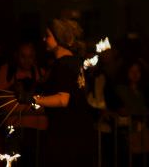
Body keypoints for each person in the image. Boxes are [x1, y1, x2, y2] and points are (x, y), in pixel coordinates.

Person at [19, 19, 95, 166]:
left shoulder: (63, 64)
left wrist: (33, 99)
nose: (44, 39)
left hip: (65, 135)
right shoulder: (75, 61)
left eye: (48, 36)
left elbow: (62, 99)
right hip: (78, 133)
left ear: (59, 38)